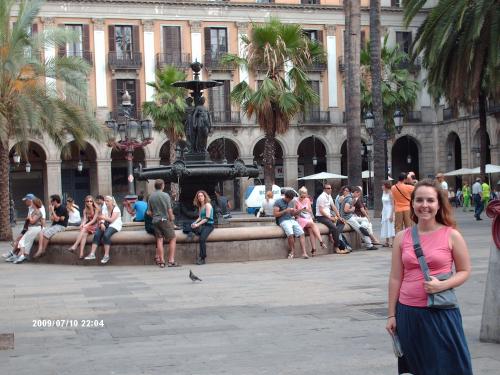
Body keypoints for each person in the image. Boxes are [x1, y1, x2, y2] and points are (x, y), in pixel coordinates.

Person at [386, 179, 473, 375]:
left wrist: (442, 285)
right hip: (408, 313)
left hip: (440, 313)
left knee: (447, 366)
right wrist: (392, 314)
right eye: (419, 200)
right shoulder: (402, 237)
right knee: (416, 367)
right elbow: (395, 278)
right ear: (413, 204)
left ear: (439, 204)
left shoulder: (451, 235)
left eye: (430, 200)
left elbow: (465, 271)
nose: (424, 205)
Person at [3, 193, 46, 260]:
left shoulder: (39, 209)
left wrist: (42, 229)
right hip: (28, 226)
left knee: (21, 240)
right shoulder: (30, 207)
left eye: (26, 200)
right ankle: (16, 253)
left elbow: (41, 219)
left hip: (34, 227)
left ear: (31, 201)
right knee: (20, 239)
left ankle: (18, 254)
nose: (25, 202)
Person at [147, 179, 179, 268]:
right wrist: (172, 217)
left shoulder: (151, 196)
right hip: (165, 220)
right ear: (163, 186)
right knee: (172, 238)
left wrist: (155, 215)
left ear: (155, 186)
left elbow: (148, 212)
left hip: (155, 221)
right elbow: (169, 209)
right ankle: (171, 261)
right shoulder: (165, 195)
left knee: (159, 240)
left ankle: (162, 262)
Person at [84, 195, 122, 264]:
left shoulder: (116, 209)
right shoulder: (104, 208)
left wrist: (103, 218)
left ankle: (106, 255)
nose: (106, 202)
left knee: (106, 235)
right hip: (106, 224)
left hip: (115, 225)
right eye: (105, 201)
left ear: (112, 202)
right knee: (97, 233)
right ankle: (92, 254)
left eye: (108, 201)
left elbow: (111, 220)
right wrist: (101, 223)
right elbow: (101, 218)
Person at [274, 190, 309, 259]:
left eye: (291, 199)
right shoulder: (278, 202)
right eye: (289, 199)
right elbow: (275, 214)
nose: (290, 201)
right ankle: (292, 252)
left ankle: (304, 253)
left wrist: (299, 211)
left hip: (291, 219)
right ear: (285, 197)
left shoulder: (291, 202)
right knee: (290, 234)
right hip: (283, 220)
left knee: (301, 233)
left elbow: (292, 214)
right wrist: (285, 211)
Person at [295, 186, 327, 256]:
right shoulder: (296, 201)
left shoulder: (307, 200)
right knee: (312, 225)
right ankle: (321, 241)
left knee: (311, 231)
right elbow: (294, 213)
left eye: (304, 196)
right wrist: (300, 210)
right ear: (299, 195)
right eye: (302, 197)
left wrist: (307, 210)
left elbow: (310, 210)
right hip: (300, 218)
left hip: (307, 217)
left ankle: (314, 250)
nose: (303, 198)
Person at [316, 184, 347, 254]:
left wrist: (339, 217)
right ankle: (336, 247)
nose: (330, 189)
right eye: (328, 188)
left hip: (328, 216)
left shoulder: (329, 196)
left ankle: (334, 235)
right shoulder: (321, 197)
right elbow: (321, 210)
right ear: (324, 189)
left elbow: (333, 207)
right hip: (321, 217)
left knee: (342, 222)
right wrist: (330, 218)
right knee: (334, 228)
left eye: (331, 188)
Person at [11, 198, 44, 264]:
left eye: (32, 203)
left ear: (35, 204)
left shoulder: (37, 212)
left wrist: (29, 218)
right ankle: (22, 255)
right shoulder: (34, 211)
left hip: (34, 228)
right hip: (32, 228)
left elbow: (32, 221)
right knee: (24, 242)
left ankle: (22, 255)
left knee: (21, 241)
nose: (31, 204)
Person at [67, 195, 99, 259]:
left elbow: (94, 220)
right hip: (90, 225)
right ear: (85, 202)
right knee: (84, 234)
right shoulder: (85, 210)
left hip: (96, 225)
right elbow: (85, 219)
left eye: (91, 201)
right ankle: (81, 253)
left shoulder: (96, 209)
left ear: (93, 202)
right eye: (87, 201)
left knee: (84, 229)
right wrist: (82, 224)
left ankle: (75, 246)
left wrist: (86, 225)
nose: (89, 203)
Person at [191, 190, 214, 265]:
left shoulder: (207, 205)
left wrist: (197, 225)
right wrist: (194, 222)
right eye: (199, 196)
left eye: (201, 196)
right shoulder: (201, 206)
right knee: (191, 227)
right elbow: (200, 217)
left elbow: (206, 218)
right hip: (203, 225)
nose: (200, 197)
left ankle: (202, 258)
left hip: (209, 225)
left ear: (204, 197)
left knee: (202, 239)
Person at [381, 182, 395, 247]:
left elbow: (393, 205)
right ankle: (387, 241)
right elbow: (383, 203)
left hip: (389, 210)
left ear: (386, 186)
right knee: (385, 225)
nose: (382, 186)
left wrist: (392, 214)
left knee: (391, 225)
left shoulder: (391, 193)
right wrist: (382, 212)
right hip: (384, 211)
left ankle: (393, 242)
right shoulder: (383, 192)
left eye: (383, 185)